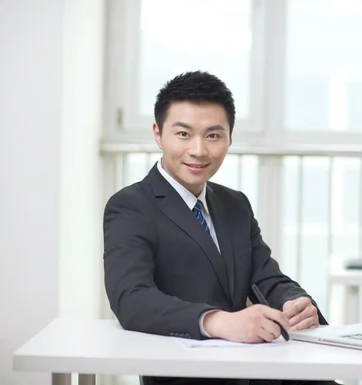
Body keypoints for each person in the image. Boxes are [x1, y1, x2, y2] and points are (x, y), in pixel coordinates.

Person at [103, 71, 337, 385]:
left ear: (229, 137)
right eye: (183, 134)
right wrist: (218, 322)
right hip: (189, 375)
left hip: (257, 366)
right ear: (158, 134)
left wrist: (295, 304)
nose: (199, 150)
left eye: (213, 135)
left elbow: (266, 276)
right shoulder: (131, 205)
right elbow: (132, 299)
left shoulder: (234, 204)